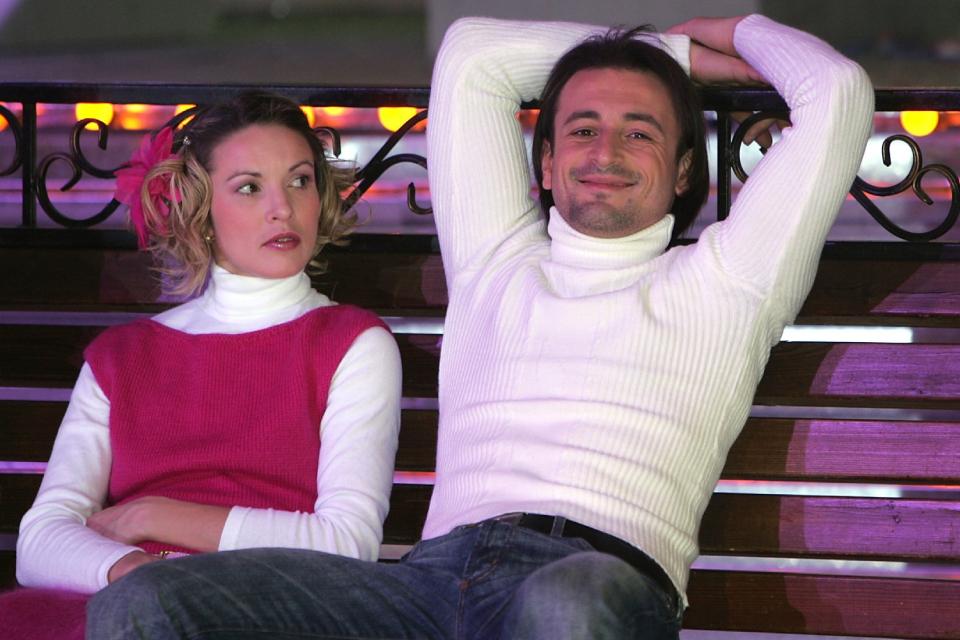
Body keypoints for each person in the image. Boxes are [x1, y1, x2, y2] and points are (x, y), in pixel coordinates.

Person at [85, 13, 873, 640]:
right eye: (582, 129)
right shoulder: (497, 258)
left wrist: (729, 33)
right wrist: (672, 54)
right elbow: (473, 57)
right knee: (144, 605)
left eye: (640, 131)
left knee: (569, 601)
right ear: (545, 164)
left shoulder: (729, 281)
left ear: (682, 171)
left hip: (594, 580)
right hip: (425, 587)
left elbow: (835, 91)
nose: (606, 151)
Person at [0, 90, 402, 640]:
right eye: (249, 187)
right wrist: (130, 569)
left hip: (266, 599)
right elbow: (41, 539)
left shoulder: (352, 342)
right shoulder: (122, 355)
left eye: (300, 180)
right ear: (201, 211)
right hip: (126, 593)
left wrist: (150, 515)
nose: (282, 207)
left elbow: (347, 544)